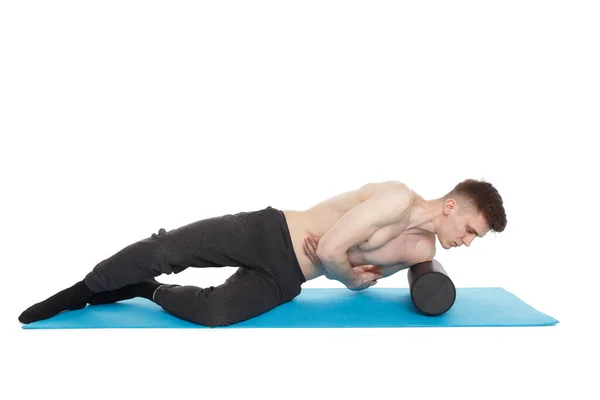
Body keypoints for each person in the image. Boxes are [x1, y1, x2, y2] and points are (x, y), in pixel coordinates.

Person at [18, 178, 507, 327]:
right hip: (266, 233)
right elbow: (338, 252)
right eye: (469, 229)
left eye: (474, 239)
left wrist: (339, 262)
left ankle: (146, 289)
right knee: (167, 248)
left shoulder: (421, 246)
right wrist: (344, 274)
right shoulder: (396, 198)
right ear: (450, 206)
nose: (467, 243)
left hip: (285, 279)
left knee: (217, 313)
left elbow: (342, 254)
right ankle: (82, 290)